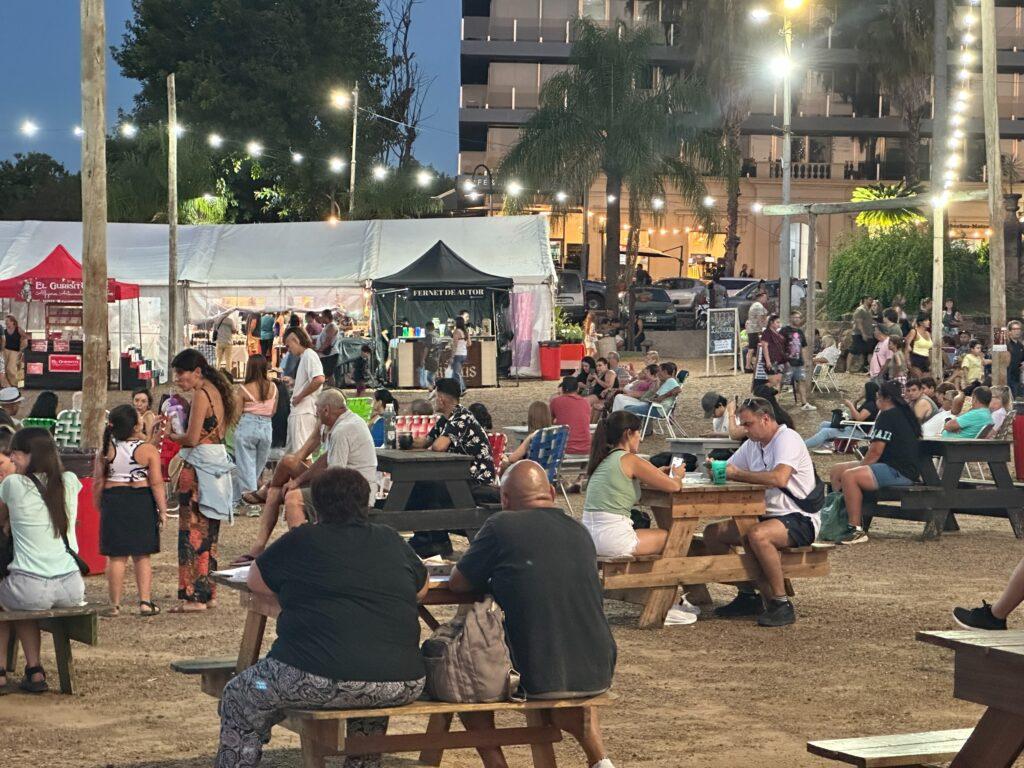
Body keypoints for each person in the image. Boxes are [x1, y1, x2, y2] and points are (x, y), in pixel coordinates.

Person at [215, 468, 426, 768]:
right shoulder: (390, 539)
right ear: (365, 503)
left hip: (313, 677)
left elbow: (255, 581)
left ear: (317, 505)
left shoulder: (302, 540)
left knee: (240, 694)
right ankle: (363, 763)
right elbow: (422, 586)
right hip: (400, 682)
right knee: (367, 691)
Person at [450, 460, 617, 768]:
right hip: (598, 668)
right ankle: (599, 761)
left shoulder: (501, 526)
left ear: (505, 499)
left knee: (466, 680)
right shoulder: (578, 531)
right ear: (551, 493)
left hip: (539, 673)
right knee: (559, 666)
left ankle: (497, 765)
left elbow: (459, 583)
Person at [703, 398, 819, 627]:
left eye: (748, 424)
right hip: (764, 515)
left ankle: (780, 602)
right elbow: (731, 467)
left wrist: (735, 474)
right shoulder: (753, 444)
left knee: (758, 535)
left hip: (798, 517)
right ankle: (747, 593)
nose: (744, 429)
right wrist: (715, 468)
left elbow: (779, 478)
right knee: (712, 533)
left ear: (765, 419)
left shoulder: (787, 439)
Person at [239, 389, 378, 563]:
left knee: (292, 497)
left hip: (352, 493)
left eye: (317, 409)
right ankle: (260, 539)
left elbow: (335, 477)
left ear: (326, 410)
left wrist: (297, 485)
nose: (316, 413)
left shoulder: (343, 431)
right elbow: (324, 458)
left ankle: (302, 553)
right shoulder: (339, 423)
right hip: (342, 482)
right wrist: (297, 479)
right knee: (287, 464)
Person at [0, 428, 86, 692]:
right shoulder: (69, 480)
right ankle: (34, 670)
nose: (11, 460)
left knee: (13, 596)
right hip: (72, 586)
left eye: (15, 455)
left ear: (28, 455)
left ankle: (1, 672)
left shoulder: (13, 484)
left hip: (31, 587)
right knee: (22, 600)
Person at [167, 349, 237, 612]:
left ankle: (193, 595)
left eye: (181, 373)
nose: (178, 379)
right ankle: (209, 591)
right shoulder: (216, 392)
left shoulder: (200, 394)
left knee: (192, 530)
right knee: (209, 532)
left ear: (196, 372)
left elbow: (192, 438)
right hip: (215, 462)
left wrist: (174, 436)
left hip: (197, 467)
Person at [93, 404, 167, 617]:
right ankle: (145, 601)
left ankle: (114, 604)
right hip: (140, 501)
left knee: (116, 556)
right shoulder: (147, 450)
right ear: (136, 426)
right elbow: (156, 483)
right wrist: (162, 510)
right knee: (142, 555)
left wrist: (99, 504)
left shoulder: (106, 449)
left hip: (113, 501)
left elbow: (99, 481)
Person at [830, 382, 922, 545]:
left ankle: (855, 528)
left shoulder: (888, 415)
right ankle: (839, 519)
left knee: (849, 476)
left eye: (878, 396)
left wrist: (860, 467)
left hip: (899, 470)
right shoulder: (902, 412)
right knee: (837, 470)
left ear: (884, 398)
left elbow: (875, 451)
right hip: (891, 465)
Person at [583, 411, 682, 559]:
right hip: (613, 539)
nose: (640, 439)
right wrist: (678, 475)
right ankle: (675, 580)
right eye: (638, 433)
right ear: (628, 433)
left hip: (589, 537)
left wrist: (657, 474)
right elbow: (674, 487)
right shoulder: (630, 459)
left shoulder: (603, 459)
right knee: (674, 538)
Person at [413, 378, 497, 500]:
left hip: (476, 481)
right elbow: (426, 441)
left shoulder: (462, 417)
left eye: (435, 397)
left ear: (441, 400)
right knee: (421, 485)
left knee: (425, 488)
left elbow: (439, 446)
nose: (433, 401)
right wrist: (406, 441)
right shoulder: (446, 419)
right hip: (459, 477)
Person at [232, 354, 278, 508]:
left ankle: (250, 502)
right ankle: (238, 499)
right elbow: (273, 411)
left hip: (247, 424)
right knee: (256, 467)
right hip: (266, 426)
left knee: (245, 465)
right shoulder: (273, 387)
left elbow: (237, 413)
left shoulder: (244, 389)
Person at [804, 381, 879, 452]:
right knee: (824, 424)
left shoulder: (871, 405)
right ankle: (826, 445)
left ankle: (803, 445)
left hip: (858, 432)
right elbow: (854, 417)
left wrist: (850, 406)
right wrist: (856, 402)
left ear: (868, 391)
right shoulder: (868, 403)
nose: (862, 391)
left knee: (825, 432)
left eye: (864, 389)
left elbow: (859, 418)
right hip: (853, 427)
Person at [282, 327, 325, 453]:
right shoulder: (305, 356)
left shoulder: (309, 355)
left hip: (303, 411)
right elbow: (312, 380)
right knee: (292, 455)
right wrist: (294, 382)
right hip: (300, 411)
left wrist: (300, 396)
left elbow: (319, 379)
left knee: (300, 455)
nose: (289, 350)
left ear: (296, 340)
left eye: (289, 346)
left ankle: (308, 473)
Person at [611, 362, 681, 417]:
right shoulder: (665, 382)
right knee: (627, 407)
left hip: (657, 409)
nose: (658, 373)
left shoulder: (671, 380)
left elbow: (678, 390)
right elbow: (656, 394)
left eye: (659, 371)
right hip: (652, 406)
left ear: (665, 372)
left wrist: (663, 397)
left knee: (627, 410)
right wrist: (653, 398)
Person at [551, 375, 594, 457]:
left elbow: (548, 422)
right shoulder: (586, 403)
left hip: (564, 448)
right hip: (586, 448)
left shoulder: (556, 401)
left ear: (563, 388)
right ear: (577, 389)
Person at [502, 401, 553, 468]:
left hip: (531, 473)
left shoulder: (533, 436)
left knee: (502, 460)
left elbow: (512, 459)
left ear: (531, 418)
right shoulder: (552, 434)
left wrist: (503, 457)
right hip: (547, 471)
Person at [783, 311, 814, 411]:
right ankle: (776, 403)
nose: (797, 319)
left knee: (802, 381)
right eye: (795, 317)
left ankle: (804, 403)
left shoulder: (800, 332)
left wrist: (806, 361)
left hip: (799, 362)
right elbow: (779, 345)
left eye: (798, 317)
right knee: (782, 382)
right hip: (788, 362)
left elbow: (804, 347)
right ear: (790, 318)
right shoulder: (784, 330)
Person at [849, 296, 876, 374]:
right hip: (859, 334)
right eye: (870, 299)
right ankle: (848, 369)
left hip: (867, 334)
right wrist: (863, 333)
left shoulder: (867, 310)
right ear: (865, 300)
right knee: (853, 351)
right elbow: (859, 322)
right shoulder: (860, 309)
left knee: (868, 351)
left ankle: (868, 369)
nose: (871, 301)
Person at [744, 291, 769, 371]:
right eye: (764, 297)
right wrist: (763, 328)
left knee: (753, 348)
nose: (766, 299)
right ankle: (748, 366)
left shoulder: (756, 305)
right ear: (760, 297)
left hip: (752, 328)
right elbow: (760, 319)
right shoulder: (758, 306)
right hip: (754, 329)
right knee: (752, 348)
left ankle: (750, 365)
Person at [1, 315, 26, 388]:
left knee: (10, 368)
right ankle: (6, 385)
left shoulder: (18, 329)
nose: (6, 323)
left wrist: (22, 345)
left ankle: (14, 384)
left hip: (15, 351)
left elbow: (26, 337)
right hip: (5, 351)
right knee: (4, 368)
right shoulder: (4, 330)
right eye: (5, 321)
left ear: (13, 322)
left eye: (7, 321)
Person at [419, 321, 440, 389]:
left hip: (430, 357)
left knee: (429, 375)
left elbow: (426, 349)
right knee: (433, 373)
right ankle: (434, 386)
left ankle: (434, 387)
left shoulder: (429, 336)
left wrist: (423, 359)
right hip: (437, 356)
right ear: (433, 327)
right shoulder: (438, 335)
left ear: (427, 328)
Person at [451, 315, 469, 393]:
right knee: (456, 372)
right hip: (464, 353)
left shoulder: (456, 331)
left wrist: (452, 356)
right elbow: (469, 343)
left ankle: (462, 388)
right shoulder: (465, 332)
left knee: (456, 373)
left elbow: (455, 344)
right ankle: (458, 388)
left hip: (458, 354)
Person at [1008, 320, 1024, 398]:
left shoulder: (1020, 345)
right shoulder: (1005, 344)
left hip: (1017, 378)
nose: (1017, 331)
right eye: (1015, 329)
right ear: (1009, 331)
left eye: (1019, 329)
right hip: (1007, 377)